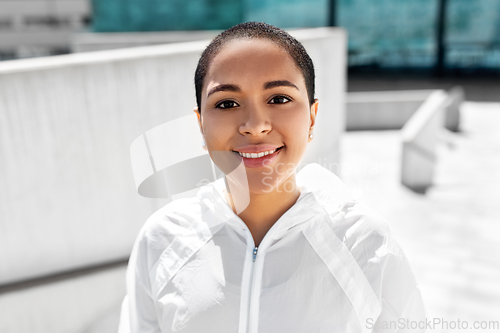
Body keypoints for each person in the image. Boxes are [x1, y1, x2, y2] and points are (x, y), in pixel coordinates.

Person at [118, 22, 425, 333]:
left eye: (278, 99)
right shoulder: (161, 240)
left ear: (312, 117)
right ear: (200, 124)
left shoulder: (367, 246)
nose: (255, 125)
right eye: (226, 103)